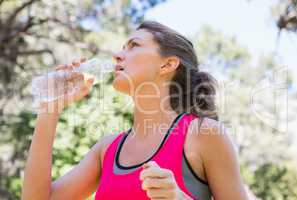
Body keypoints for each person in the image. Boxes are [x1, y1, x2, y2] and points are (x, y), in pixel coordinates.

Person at [21, 21, 249, 200]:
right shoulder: (107, 149)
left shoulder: (202, 134)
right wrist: (50, 108)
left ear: (167, 64)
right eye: (122, 48)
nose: (118, 56)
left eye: (134, 45)